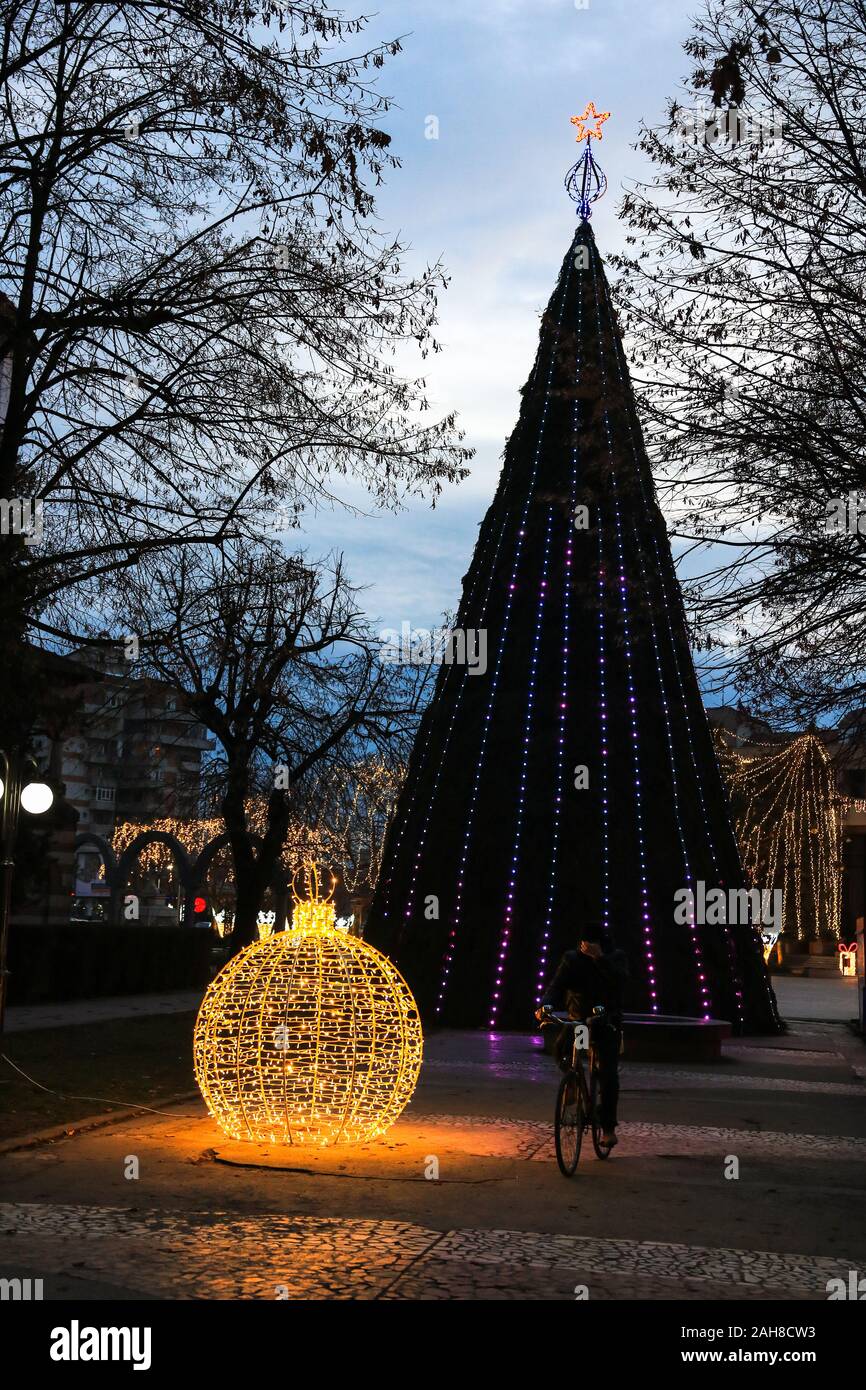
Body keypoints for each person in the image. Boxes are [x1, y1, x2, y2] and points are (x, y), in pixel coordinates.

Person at [536, 921, 628, 1148]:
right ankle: (573, 1082)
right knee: (563, 1048)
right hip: (580, 1021)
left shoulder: (615, 957)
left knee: (607, 1073)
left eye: (591, 945)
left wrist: (601, 959)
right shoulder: (572, 959)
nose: (586, 948)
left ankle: (607, 1128)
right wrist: (545, 1005)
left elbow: (622, 982)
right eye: (584, 945)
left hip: (606, 1022)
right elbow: (556, 985)